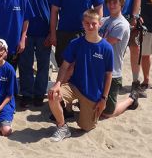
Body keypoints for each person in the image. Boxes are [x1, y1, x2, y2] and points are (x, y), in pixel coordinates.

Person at [48, 9, 113, 141]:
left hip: (93, 93)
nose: (90, 26)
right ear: (82, 24)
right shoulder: (76, 43)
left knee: (86, 127)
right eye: (87, 23)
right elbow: (64, 66)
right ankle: (62, 127)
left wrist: (104, 99)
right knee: (53, 95)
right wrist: (57, 84)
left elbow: (109, 75)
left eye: (93, 23)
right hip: (74, 86)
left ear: (99, 24)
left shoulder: (106, 48)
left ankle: (129, 101)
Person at [95, 0, 146, 96]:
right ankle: (107, 80)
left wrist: (135, 16)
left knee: (134, 49)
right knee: (106, 50)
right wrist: (98, 17)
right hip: (107, 18)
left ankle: (136, 82)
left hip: (127, 17)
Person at [18, 0, 53, 108]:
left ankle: (39, 94)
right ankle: (26, 94)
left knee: (43, 65)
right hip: (27, 33)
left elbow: (54, 13)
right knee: (25, 65)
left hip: (44, 33)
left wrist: (52, 33)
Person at [100, 0, 139, 118]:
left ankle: (131, 99)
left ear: (121, 4)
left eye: (114, 2)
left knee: (107, 114)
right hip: (99, 69)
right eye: (109, 2)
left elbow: (105, 43)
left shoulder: (122, 24)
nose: (111, 5)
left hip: (113, 72)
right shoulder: (105, 20)